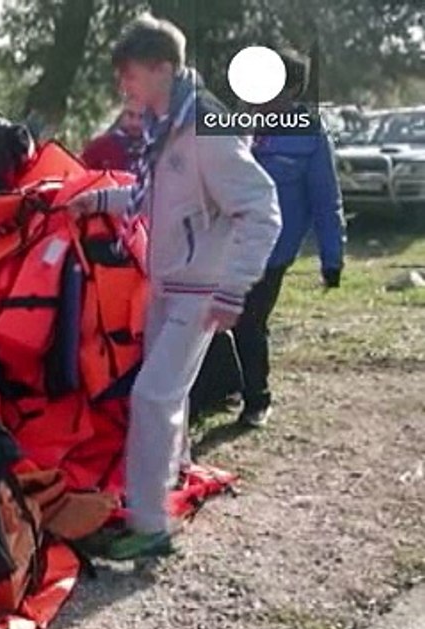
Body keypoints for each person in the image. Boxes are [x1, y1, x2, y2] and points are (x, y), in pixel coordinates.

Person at [68, 14, 281, 560]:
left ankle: (149, 524)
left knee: (152, 394)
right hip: (169, 282)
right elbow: (158, 199)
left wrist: (233, 288)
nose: (124, 84)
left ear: (163, 68)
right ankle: (171, 479)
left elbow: (262, 210)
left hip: (199, 289)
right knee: (170, 393)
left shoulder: (205, 128)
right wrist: (99, 200)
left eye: (131, 73)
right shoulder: (168, 125)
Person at [236, 49, 346, 428]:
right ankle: (222, 386)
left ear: (293, 89)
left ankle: (257, 399)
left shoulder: (310, 135)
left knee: (250, 320)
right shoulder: (235, 126)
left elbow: (326, 200)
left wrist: (332, 259)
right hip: (227, 242)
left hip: (273, 250)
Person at [81, 99, 147, 173]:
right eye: (130, 115)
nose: (135, 123)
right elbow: (78, 173)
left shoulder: (151, 151)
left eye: (141, 117)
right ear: (121, 115)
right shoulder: (101, 146)